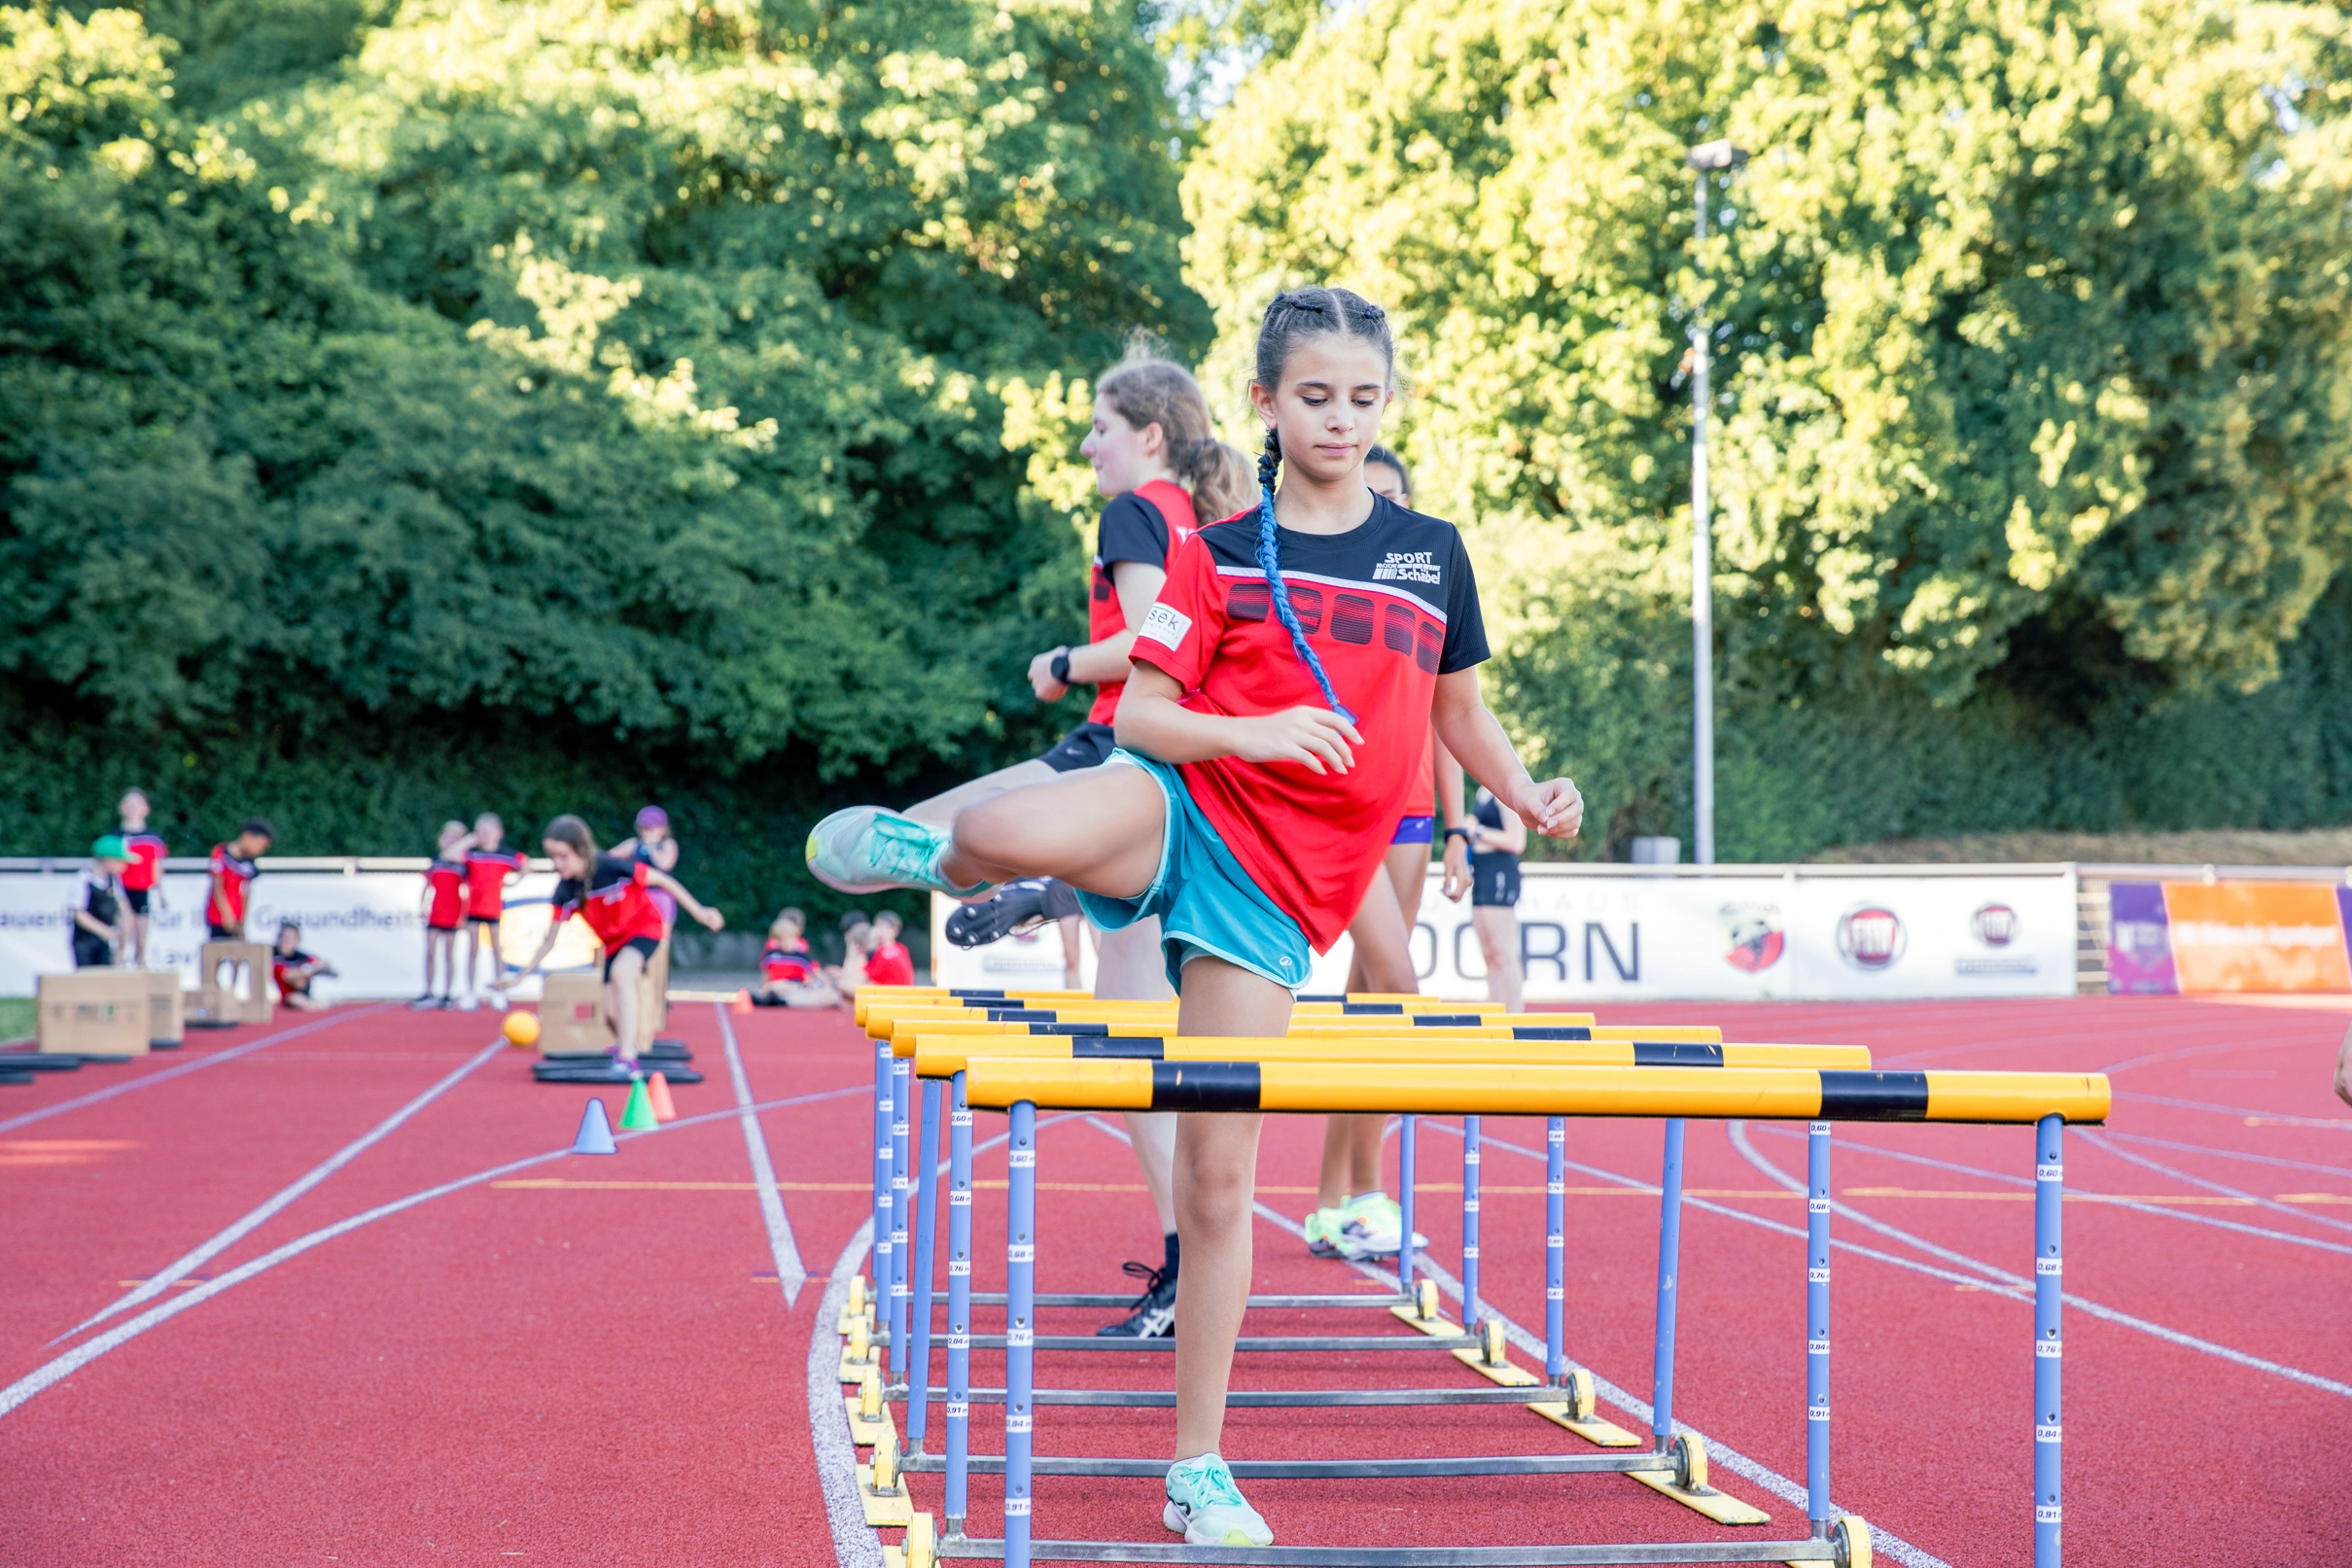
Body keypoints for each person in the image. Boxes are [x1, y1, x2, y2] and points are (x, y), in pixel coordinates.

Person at [807, 285, 1583, 1548]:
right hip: (1188, 802)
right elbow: (1147, 714)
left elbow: (1456, 716)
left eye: (1363, 397)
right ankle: (939, 861)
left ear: (1387, 402)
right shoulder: (1216, 553)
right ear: (1266, 404)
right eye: (1314, 396)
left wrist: (1524, 790)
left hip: (1281, 894)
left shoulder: (1428, 551)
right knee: (998, 830)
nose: (1340, 418)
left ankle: (1195, 1467)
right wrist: (1255, 728)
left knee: (1220, 1183)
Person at [906, 345, 1254, 1340]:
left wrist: (1061, 658)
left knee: (935, 832)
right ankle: (1190, 1256)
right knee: (1141, 1027)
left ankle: (1022, 866)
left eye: (1099, 424)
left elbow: (1154, 637)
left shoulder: (1138, 510)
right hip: (1185, 770)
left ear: (1149, 434)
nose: (1086, 443)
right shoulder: (1208, 517)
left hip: (1123, 745)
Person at [1303, 443, 1469, 1263]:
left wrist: (1460, 826)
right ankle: (1364, 1194)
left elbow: (1452, 709)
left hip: (1410, 812)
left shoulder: (1423, 565)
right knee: (1394, 990)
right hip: (1346, 804)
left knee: (1370, 997)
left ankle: (1336, 1202)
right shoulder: (1321, 567)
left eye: (1393, 492)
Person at [497, 816, 723, 1070]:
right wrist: (520, 976)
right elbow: (549, 941)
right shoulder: (565, 891)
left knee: (622, 973)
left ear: (581, 850)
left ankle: (627, 1055)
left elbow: (662, 880)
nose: (557, 864)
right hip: (613, 944)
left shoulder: (611, 867)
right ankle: (626, 1042)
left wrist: (700, 911)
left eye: (563, 856)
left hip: (644, 927)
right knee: (608, 1013)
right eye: (552, 857)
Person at [1463, 785, 1527, 1012]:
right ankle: (1496, 1009)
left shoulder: (1505, 788)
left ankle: (1514, 1013)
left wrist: (1477, 831)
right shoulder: (1483, 790)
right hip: (1482, 872)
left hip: (1499, 872)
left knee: (1503, 951)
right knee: (1490, 952)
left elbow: (1516, 841)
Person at [461, 813, 526, 1011]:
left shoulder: (506, 854)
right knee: (472, 950)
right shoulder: (472, 854)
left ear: (498, 832)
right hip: (473, 908)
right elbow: (450, 854)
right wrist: (470, 839)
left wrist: (513, 882)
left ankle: (499, 992)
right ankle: (469, 993)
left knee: (497, 950)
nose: (485, 835)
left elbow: (525, 863)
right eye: (481, 831)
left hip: (494, 909)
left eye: (489, 831)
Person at [414, 820, 472, 1010]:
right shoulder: (435, 862)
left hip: (453, 912)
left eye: (455, 838)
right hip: (435, 911)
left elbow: (467, 890)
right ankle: (428, 990)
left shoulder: (463, 865)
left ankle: (448, 993)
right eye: (447, 837)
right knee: (429, 952)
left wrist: (463, 915)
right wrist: (423, 906)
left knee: (449, 953)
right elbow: (426, 885)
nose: (450, 841)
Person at [745, 908, 841, 1008]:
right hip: (776, 985)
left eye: (790, 939)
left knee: (792, 988)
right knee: (773, 987)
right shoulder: (771, 954)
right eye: (783, 939)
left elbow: (814, 970)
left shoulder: (799, 956)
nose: (788, 943)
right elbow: (766, 974)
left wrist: (828, 985)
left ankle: (780, 1000)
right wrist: (763, 988)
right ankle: (768, 999)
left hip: (795, 985)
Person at [116, 789, 167, 968]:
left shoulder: (154, 837)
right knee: (122, 937)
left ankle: (140, 975)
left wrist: (161, 894)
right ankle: (116, 977)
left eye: (137, 804)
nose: (133, 809)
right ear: (121, 808)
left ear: (146, 808)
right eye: (129, 804)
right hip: (121, 891)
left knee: (142, 940)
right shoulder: (115, 836)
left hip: (144, 891)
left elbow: (156, 866)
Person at [611, 806, 682, 933]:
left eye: (650, 828)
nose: (646, 831)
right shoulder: (634, 844)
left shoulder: (668, 844)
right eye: (644, 827)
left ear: (662, 828)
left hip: (661, 897)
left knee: (661, 940)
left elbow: (664, 864)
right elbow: (610, 858)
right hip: (638, 898)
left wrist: (651, 846)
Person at [206, 819, 273, 941]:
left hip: (237, 920)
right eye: (259, 845)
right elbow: (218, 886)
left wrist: (242, 921)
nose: (259, 850)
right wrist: (227, 915)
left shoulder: (249, 863)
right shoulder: (221, 853)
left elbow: (246, 892)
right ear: (247, 837)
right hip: (217, 917)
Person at [69, 837, 129, 968]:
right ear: (107, 860)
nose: (124, 865)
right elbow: (78, 914)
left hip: (106, 943)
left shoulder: (114, 881)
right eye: (120, 861)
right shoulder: (84, 878)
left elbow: (122, 908)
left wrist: (122, 944)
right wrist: (104, 931)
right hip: (84, 942)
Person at [270, 921, 336, 1010]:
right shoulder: (272, 955)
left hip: (299, 993)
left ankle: (313, 1003)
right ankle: (314, 1004)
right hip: (280, 995)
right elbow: (286, 975)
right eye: (284, 937)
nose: (286, 941)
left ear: (297, 940)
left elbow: (323, 963)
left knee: (300, 984)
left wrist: (317, 968)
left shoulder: (301, 956)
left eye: (291, 938)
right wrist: (306, 970)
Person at [863, 909, 917, 987]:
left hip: (887, 995)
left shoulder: (882, 951)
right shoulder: (901, 948)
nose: (879, 931)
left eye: (882, 927)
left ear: (894, 930)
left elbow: (870, 974)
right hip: (904, 994)